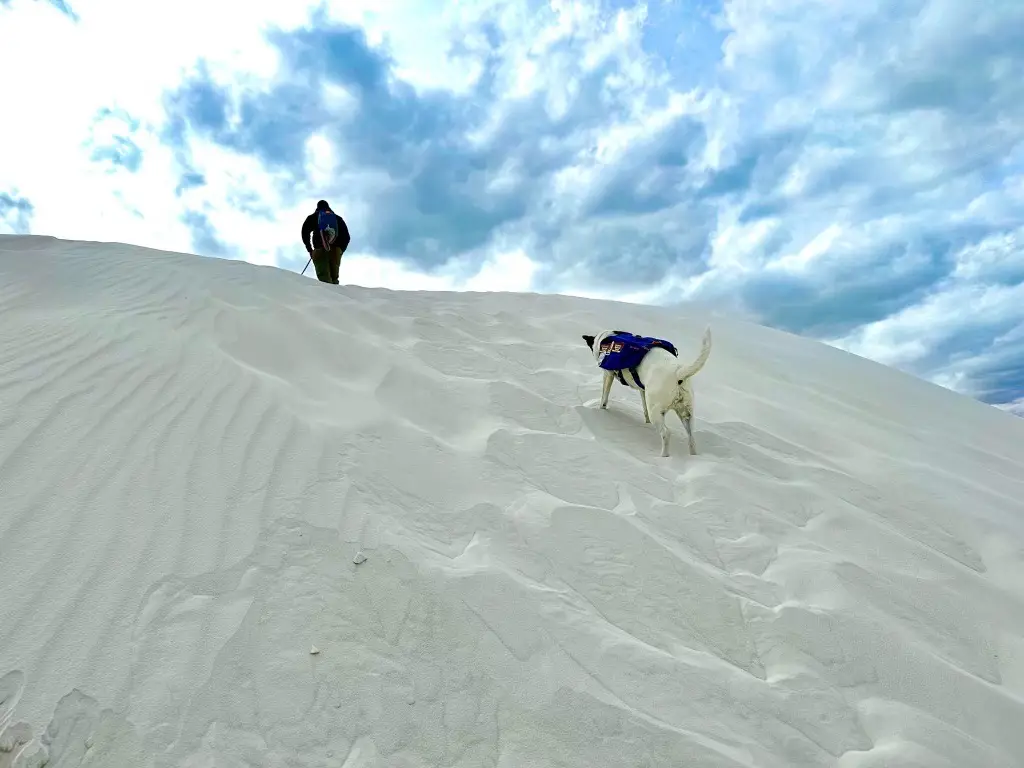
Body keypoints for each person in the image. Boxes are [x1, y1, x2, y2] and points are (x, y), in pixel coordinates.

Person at [301, 200, 350, 284]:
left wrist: (310, 249)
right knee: (334, 279)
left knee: (324, 280)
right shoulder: (337, 218)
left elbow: (304, 232)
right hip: (335, 251)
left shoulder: (314, 216)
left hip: (319, 249)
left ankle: (328, 297)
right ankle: (336, 296)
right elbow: (347, 237)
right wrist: (340, 251)